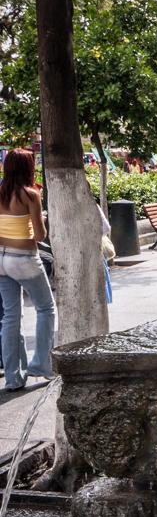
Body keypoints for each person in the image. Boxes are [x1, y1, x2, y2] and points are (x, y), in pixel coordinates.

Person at [0, 148, 56, 391]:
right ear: (28, 168)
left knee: (11, 316)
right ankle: (41, 365)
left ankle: (13, 377)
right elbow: (41, 234)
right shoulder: (31, 194)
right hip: (23, 258)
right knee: (46, 308)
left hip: (0, 260)